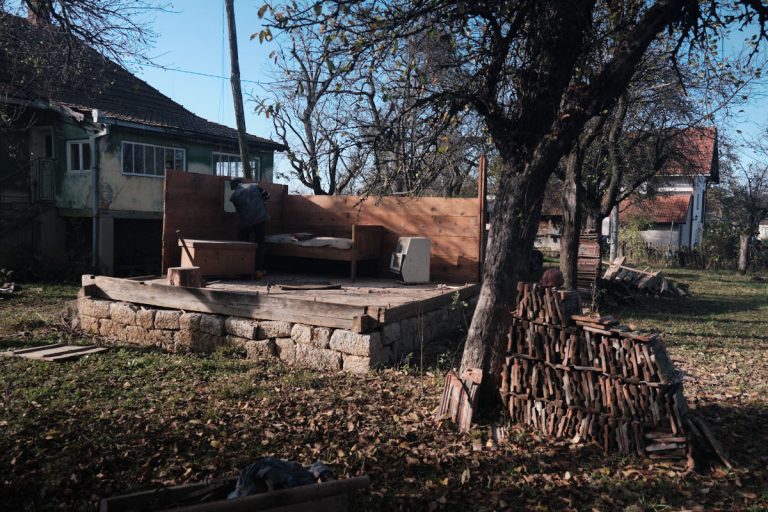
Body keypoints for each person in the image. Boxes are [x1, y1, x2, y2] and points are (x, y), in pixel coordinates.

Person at [229, 178, 270, 279]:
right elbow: (268, 196)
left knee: (242, 243)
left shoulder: (234, 197)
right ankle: (258, 270)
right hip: (261, 218)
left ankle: (242, 268)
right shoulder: (254, 186)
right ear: (241, 182)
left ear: (233, 186)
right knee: (260, 243)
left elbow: (240, 211)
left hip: (247, 221)